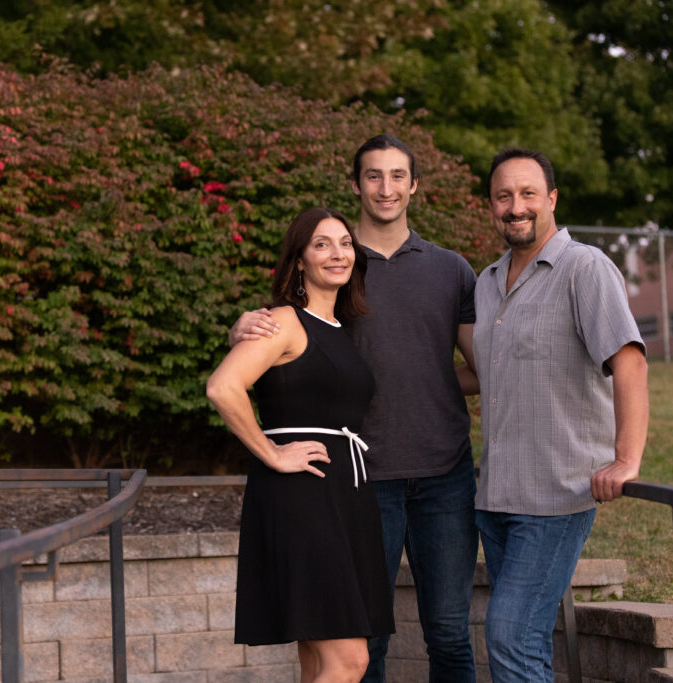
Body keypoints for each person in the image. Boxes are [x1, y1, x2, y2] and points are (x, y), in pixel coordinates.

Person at [231, 135, 480, 682]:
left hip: (444, 472)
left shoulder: (451, 270)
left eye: (397, 176)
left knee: (449, 633)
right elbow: (282, 342)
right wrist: (240, 327)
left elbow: (478, 370)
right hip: (362, 480)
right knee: (365, 647)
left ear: (415, 185)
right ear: (356, 184)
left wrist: (429, 382)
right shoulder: (340, 271)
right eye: (373, 176)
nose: (386, 188)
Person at [473, 147, 649, 682]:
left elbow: (629, 361)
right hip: (496, 497)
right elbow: (486, 371)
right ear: (491, 206)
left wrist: (626, 458)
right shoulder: (486, 281)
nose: (516, 205)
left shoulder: (584, 268)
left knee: (508, 633)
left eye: (528, 193)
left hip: (556, 495)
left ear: (551, 199)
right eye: (504, 196)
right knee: (524, 640)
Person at [207, 207, 394, 682]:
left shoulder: (339, 330)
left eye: (346, 243)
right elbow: (223, 387)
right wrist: (271, 452)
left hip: (343, 495)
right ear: (299, 262)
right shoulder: (284, 321)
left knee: (319, 661)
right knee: (350, 661)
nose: (338, 253)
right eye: (321, 244)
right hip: (303, 496)